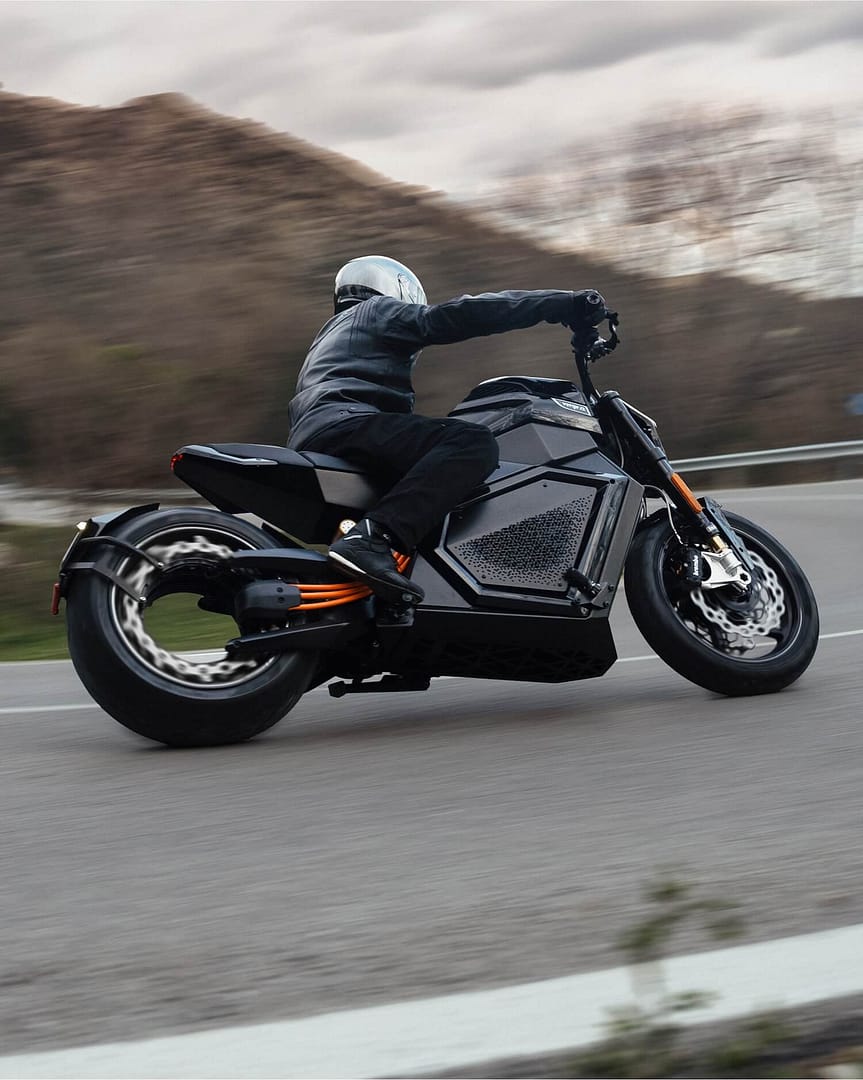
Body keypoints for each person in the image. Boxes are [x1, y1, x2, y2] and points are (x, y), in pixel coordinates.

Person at [287, 255, 609, 607]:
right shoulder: (377, 311)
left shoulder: (332, 335)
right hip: (346, 423)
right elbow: (458, 315)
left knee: (433, 476)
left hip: (322, 430)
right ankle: (371, 538)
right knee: (471, 442)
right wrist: (559, 304)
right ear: (394, 288)